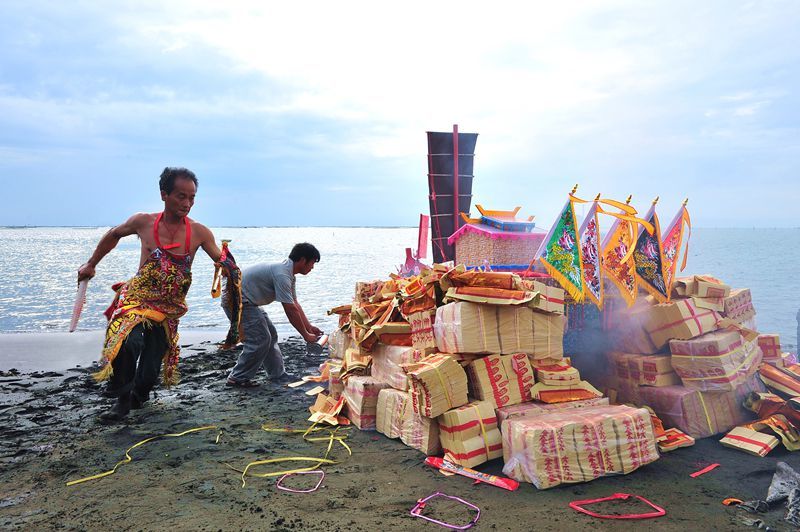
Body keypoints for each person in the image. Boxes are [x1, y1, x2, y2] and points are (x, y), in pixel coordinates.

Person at [77, 167, 240, 422]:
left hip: (170, 306)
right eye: (181, 196)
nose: (187, 204)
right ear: (164, 194)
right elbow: (114, 234)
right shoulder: (143, 222)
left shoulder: (199, 232)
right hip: (138, 297)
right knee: (127, 340)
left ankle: (138, 395)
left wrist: (231, 269)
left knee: (151, 368)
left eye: (192, 198)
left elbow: (222, 262)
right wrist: (91, 264)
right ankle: (121, 399)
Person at [224, 243, 323, 387]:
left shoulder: (288, 274)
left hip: (249, 301)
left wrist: (309, 327)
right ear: (303, 260)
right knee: (259, 339)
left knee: (271, 335)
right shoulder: (282, 274)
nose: (312, 267)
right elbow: (290, 310)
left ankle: (277, 375)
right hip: (236, 301)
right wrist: (305, 335)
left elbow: (295, 304)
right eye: (312, 263)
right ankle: (237, 378)